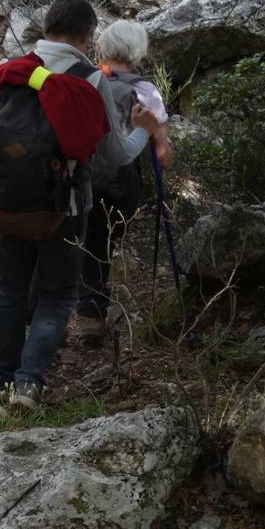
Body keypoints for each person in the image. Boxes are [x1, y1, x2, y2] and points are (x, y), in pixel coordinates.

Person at [0, 0, 161, 408]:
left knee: (8, 291)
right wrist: (143, 130)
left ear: (46, 26)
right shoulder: (90, 79)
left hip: (2, 204)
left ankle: (0, 383)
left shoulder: (5, 71)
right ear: (88, 36)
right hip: (63, 209)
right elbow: (116, 155)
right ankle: (29, 383)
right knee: (57, 293)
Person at [72, 20, 177, 342]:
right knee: (102, 243)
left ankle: (85, 311)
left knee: (85, 241)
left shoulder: (86, 81)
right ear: (137, 51)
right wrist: (159, 143)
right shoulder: (145, 90)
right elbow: (162, 153)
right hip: (120, 183)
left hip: (78, 176)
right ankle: (92, 312)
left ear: (103, 46)